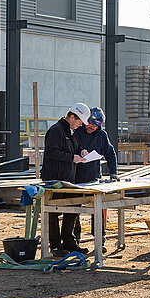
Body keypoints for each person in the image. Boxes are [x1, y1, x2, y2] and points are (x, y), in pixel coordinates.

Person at [42, 102, 91, 257]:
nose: (80, 125)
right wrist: (71, 158)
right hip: (55, 179)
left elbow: (74, 148)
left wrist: (81, 151)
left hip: (68, 178)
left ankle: (69, 242)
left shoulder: (70, 132)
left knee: (74, 206)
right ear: (71, 117)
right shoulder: (56, 131)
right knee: (53, 211)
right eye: (79, 122)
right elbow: (51, 152)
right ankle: (55, 245)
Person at [73, 107, 118, 247]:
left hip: (93, 177)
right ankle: (75, 241)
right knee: (74, 210)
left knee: (97, 210)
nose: (92, 127)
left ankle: (100, 240)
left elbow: (110, 153)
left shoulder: (101, 135)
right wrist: (80, 151)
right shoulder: (77, 132)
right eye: (91, 124)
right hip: (75, 178)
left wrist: (113, 173)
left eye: (96, 125)